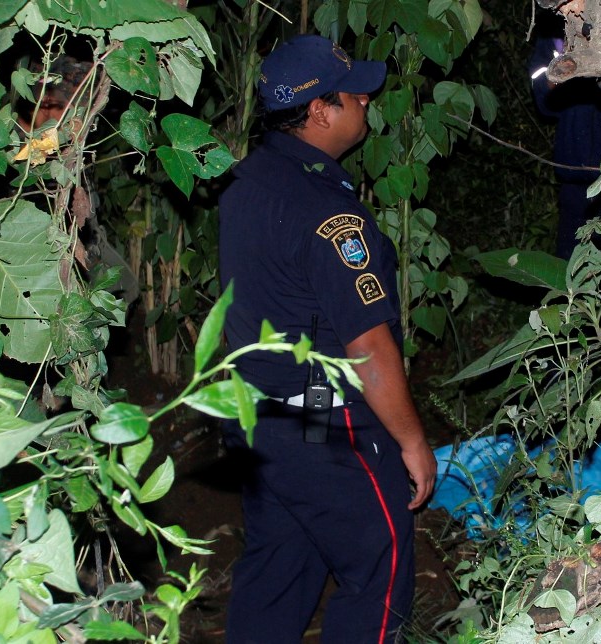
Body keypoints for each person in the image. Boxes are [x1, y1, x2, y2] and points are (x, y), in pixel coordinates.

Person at [217, 34, 437, 643]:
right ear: (320, 111)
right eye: (355, 95)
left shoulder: (245, 180)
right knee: (381, 569)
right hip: (320, 411)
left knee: (280, 567)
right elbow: (367, 345)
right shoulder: (328, 214)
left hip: (258, 411)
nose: (367, 101)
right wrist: (412, 442)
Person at [529, 35, 601, 260]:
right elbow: (543, 99)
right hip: (575, 180)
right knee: (572, 273)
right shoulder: (557, 35)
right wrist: (569, 65)